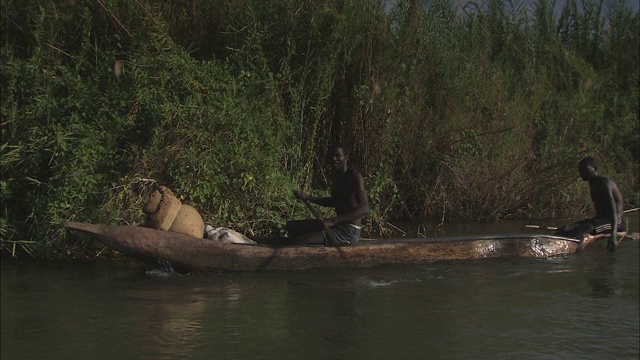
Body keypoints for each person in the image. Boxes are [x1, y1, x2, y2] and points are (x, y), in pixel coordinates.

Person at [285, 143, 369, 246]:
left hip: (349, 232)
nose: (334, 159)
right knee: (292, 226)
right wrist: (308, 198)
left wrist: (334, 221)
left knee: (300, 241)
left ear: (346, 157)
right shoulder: (336, 177)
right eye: (332, 156)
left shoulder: (355, 177)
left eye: (338, 156)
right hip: (337, 226)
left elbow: (364, 209)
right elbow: (334, 201)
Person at [555, 156, 626, 252]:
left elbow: (612, 210)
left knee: (585, 228)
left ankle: (576, 249)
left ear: (594, 169)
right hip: (600, 220)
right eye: (580, 170)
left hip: (616, 222)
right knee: (565, 229)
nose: (582, 173)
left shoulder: (604, 184)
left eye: (585, 170)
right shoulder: (592, 183)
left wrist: (613, 236)